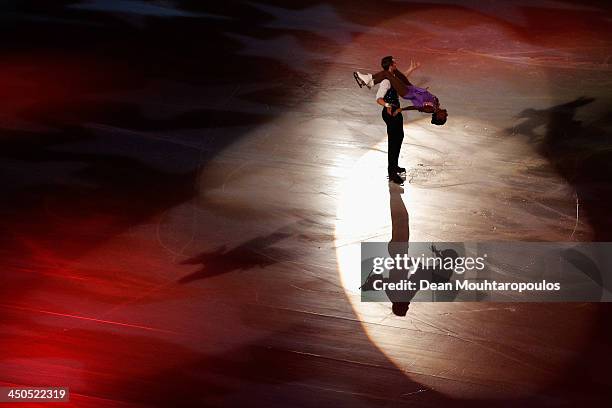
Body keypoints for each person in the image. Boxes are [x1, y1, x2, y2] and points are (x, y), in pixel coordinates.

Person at [353, 56, 448, 126]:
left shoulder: (430, 109)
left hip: (407, 92)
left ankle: (369, 80)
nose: (446, 115)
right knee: (394, 70)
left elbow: (415, 107)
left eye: (444, 117)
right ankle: (369, 82)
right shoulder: (436, 103)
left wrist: (401, 109)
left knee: (387, 73)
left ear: (439, 117)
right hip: (411, 87)